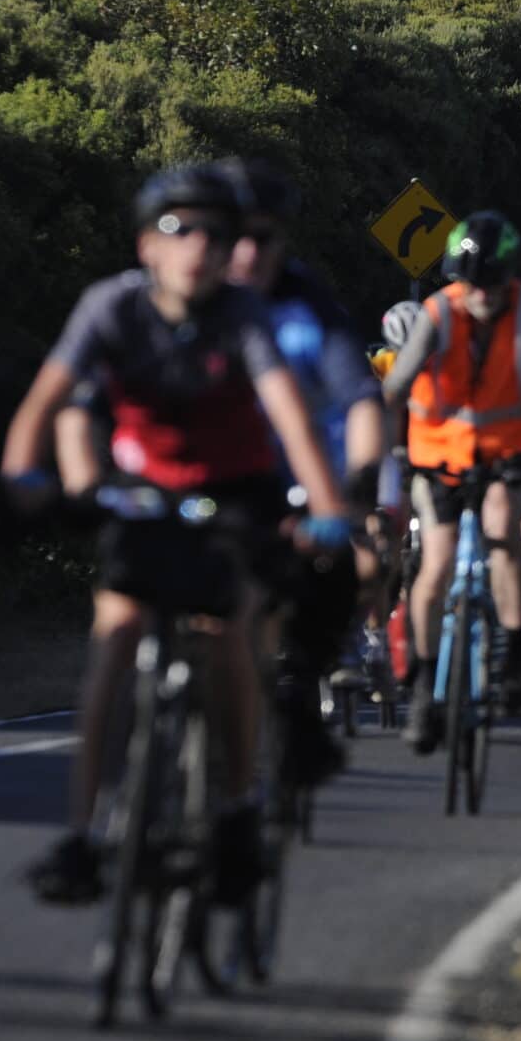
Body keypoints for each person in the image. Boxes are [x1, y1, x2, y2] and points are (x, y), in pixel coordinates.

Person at [1, 163, 354, 906]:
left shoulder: (243, 316)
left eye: (215, 234)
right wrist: (26, 476)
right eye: (178, 228)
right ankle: (83, 836)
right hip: (145, 488)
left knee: (228, 634)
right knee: (116, 636)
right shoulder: (111, 307)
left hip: (235, 489)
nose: (197, 245)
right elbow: (48, 400)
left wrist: (328, 507)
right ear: (146, 246)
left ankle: (234, 810)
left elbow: (289, 415)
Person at [378, 210, 521, 753]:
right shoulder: (438, 312)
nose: (480, 295)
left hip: (512, 454)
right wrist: (388, 451)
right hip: (437, 454)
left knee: (501, 523)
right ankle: (424, 686)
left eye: (490, 283)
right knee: (437, 562)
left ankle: (514, 652)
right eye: (469, 283)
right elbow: (396, 387)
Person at [221, 158, 380, 788]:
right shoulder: (174, 296)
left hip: (294, 474)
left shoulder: (308, 305)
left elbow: (361, 400)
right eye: (232, 234)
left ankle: (300, 689)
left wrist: (358, 490)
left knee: (343, 570)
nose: (247, 251)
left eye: (263, 237)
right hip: (210, 473)